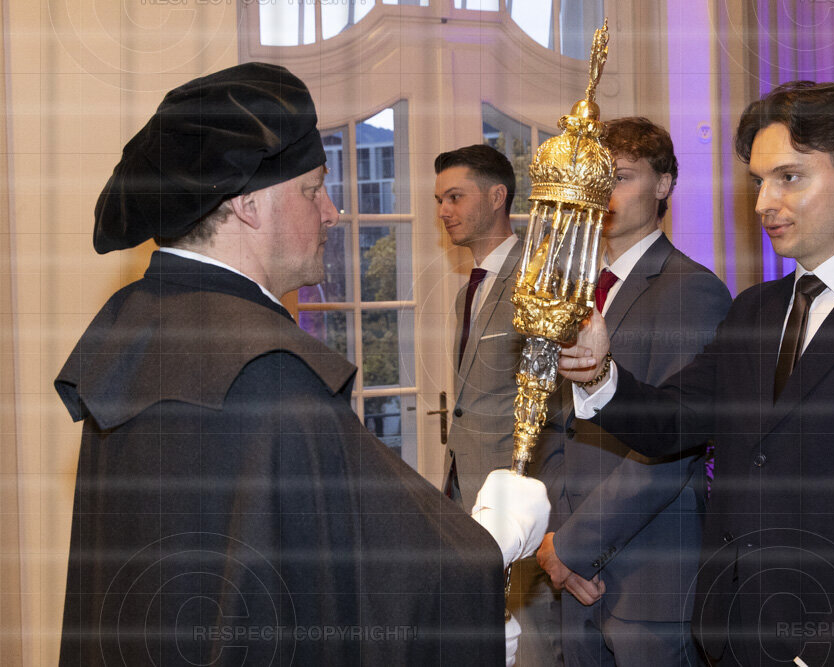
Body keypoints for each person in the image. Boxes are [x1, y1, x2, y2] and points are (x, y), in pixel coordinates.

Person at [55, 62, 549, 667]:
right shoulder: (266, 369)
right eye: (314, 189)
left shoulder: (139, 326)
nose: (332, 212)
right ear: (248, 205)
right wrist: (492, 542)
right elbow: (344, 587)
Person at [558, 81, 834, 665]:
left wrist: (823, 656)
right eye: (759, 181)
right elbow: (673, 422)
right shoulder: (755, 310)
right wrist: (596, 373)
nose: (764, 202)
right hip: (733, 635)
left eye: (789, 177)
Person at [534, 117, 731, 665]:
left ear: (664, 184)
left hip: (649, 576)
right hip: (571, 568)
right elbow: (555, 425)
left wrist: (574, 546)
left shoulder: (692, 289)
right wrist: (556, 541)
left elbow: (671, 446)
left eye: (620, 177)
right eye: (596, 180)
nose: (605, 194)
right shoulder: (571, 288)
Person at [434, 144, 563, 665]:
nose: (444, 210)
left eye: (455, 197)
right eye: (440, 200)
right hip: (465, 493)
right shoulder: (467, 291)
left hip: (521, 498)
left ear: (496, 197)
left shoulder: (539, 278)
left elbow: (557, 399)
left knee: (532, 642)